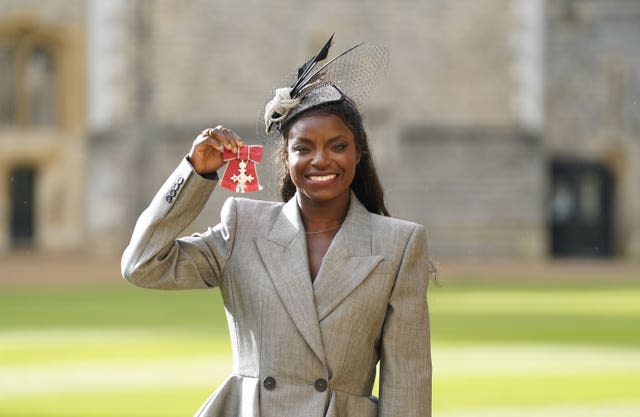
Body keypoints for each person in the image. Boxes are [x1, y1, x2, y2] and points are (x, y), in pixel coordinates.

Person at [121, 37, 432, 417]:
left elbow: (408, 383)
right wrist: (194, 173)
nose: (321, 160)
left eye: (337, 146)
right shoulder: (243, 227)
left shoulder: (399, 244)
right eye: (303, 148)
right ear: (285, 156)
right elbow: (142, 265)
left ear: (358, 153)